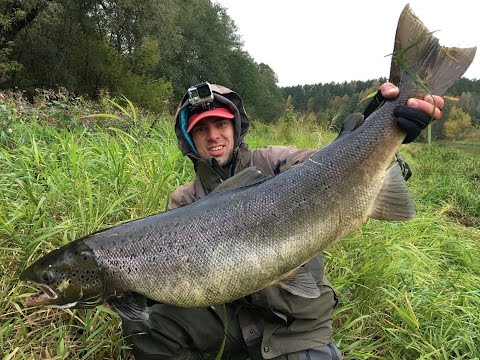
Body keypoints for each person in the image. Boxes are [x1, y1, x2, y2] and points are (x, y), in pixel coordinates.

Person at [121, 82, 444, 360]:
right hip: (232, 318)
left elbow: (328, 164)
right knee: (147, 324)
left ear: (236, 127)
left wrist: (378, 125)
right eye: (201, 129)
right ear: (189, 140)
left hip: (297, 321)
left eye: (220, 124)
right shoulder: (184, 200)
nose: (213, 136)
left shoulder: (276, 161)